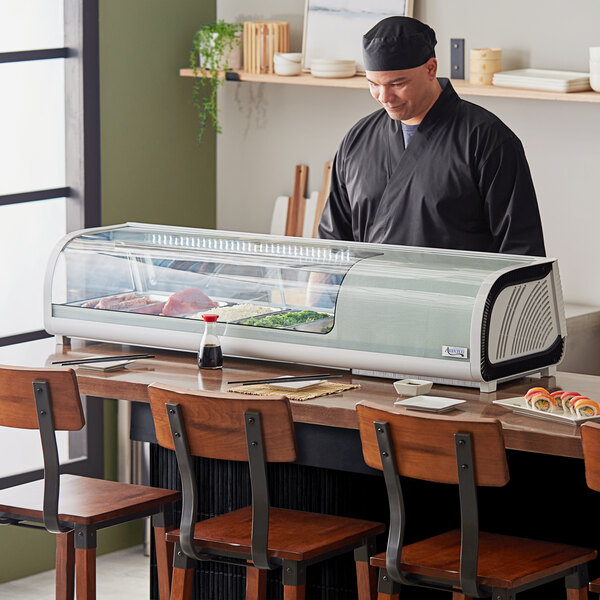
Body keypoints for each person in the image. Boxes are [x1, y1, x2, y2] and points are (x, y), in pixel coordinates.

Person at [317, 16, 546, 257]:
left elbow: (521, 250)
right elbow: (332, 243)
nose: (384, 97)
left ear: (430, 69)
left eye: (397, 84)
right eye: (373, 84)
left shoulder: (486, 139)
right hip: (368, 283)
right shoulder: (357, 140)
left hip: (459, 283)